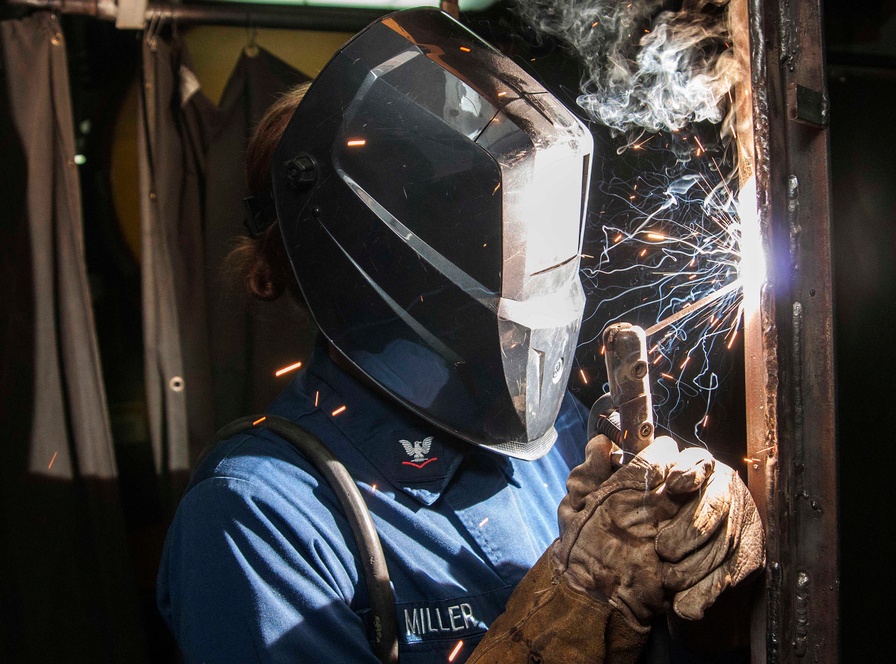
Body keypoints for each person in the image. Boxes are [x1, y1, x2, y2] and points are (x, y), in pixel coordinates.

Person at [157, 9, 763, 663]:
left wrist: (700, 553)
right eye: (485, 218)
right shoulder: (257, 517)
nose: (517, 250)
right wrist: (573, 603)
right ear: (392, 244)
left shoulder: (557, 433)